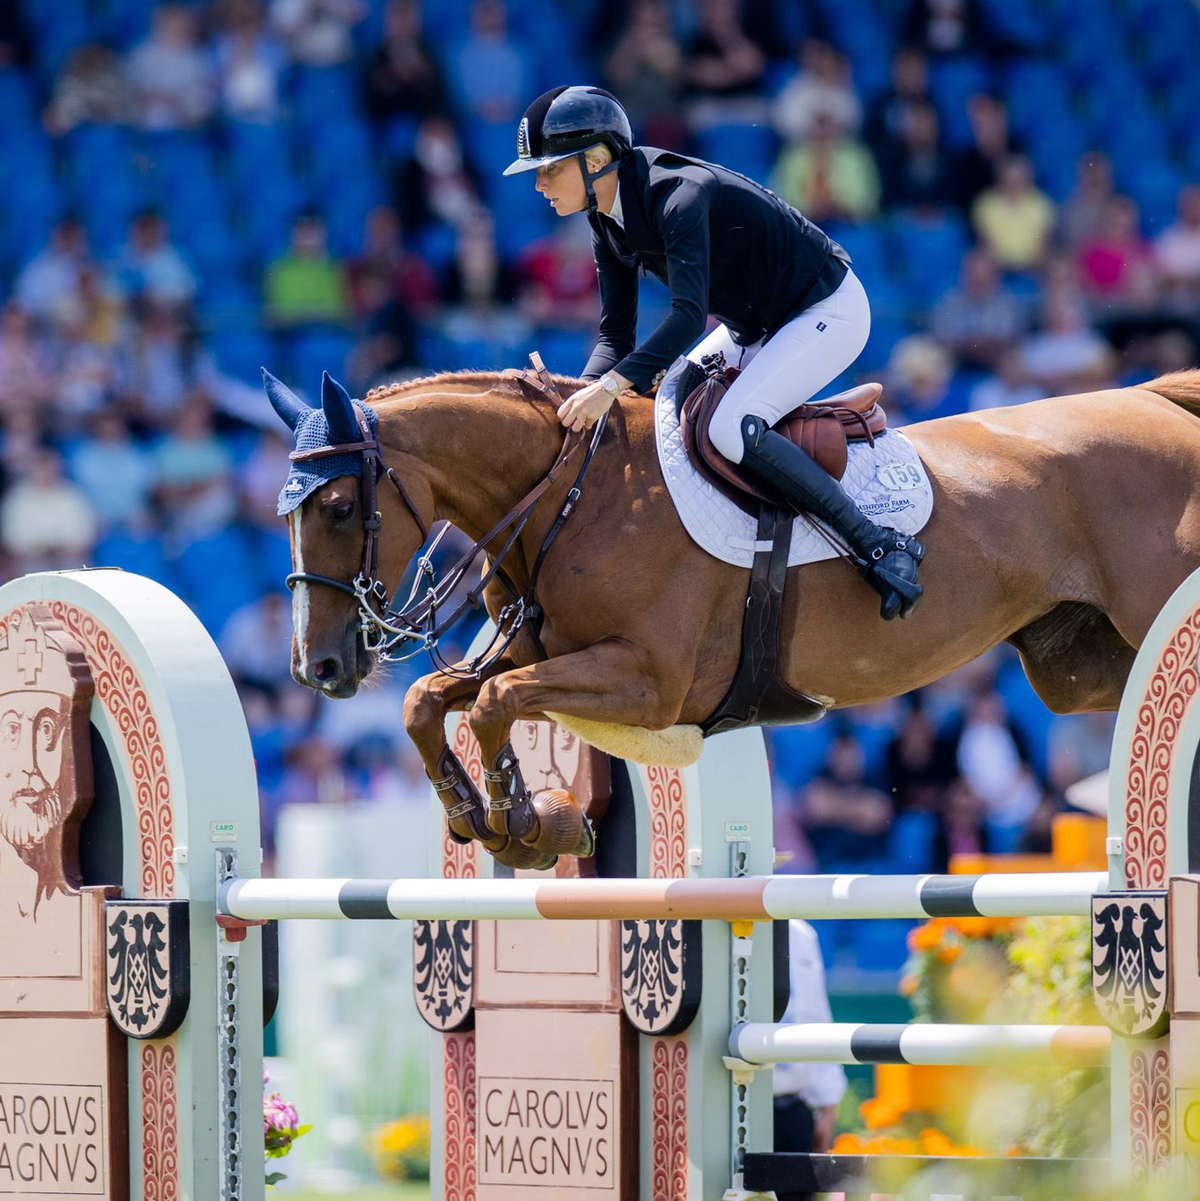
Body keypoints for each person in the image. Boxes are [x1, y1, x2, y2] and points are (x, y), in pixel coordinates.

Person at [504, 85, 924, 620]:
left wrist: (608, 390)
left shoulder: (680, 193)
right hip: (756, 325)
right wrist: (575, 399)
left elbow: (685, 316)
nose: (539, 183)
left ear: (596, 160)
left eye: (548, 169)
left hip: (826, 308)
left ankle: (879, 544)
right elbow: (615, 336)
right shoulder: (605, 219)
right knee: (662, 412)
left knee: (731, 428)